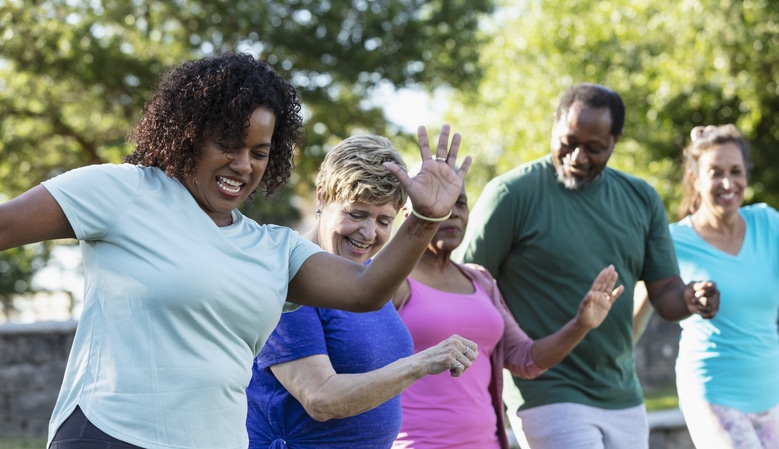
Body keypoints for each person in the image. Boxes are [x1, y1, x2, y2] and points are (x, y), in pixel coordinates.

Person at [0, 52, 471, 449]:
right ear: (189, 131)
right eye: (228, 142)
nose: (242, 165)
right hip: (110, 434)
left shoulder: (273, 248)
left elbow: (367, 288)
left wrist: (424, 219)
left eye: (260, 151)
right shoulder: (121, 192)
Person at [454, 82, 720, 449]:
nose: (577, 157)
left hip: (622, 392)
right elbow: (463, 286)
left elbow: (666, 294)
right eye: (568, 142)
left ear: (615, 141)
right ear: (553, 124)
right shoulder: (511, 195)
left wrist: (691, 299)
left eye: (594, 148)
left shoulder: (640, 198)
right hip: (546, 389)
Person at [245, 134, 478, 449]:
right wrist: (422, 363)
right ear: (322, 197)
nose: (369, 234)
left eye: (384, 220)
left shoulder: (368, 280)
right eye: (357, 214)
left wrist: (428, 216)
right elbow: (321, 399)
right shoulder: (288, 276)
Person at [390, 184, 625, 449]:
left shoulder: (482, 281)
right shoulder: (390, 282)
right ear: (407, 212)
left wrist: (580, 325)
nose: (453, 213)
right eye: (441, 202)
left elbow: (526, 360)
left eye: (461, 203)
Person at [643, 124, 779, 448]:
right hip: (713, 391)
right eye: (715, 172)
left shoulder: (767, 222)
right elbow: (654, 299)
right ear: (695, 178)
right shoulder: (675, 240)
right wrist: (690, 299)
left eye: (736, 171)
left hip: (770, 392)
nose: (728, 183)